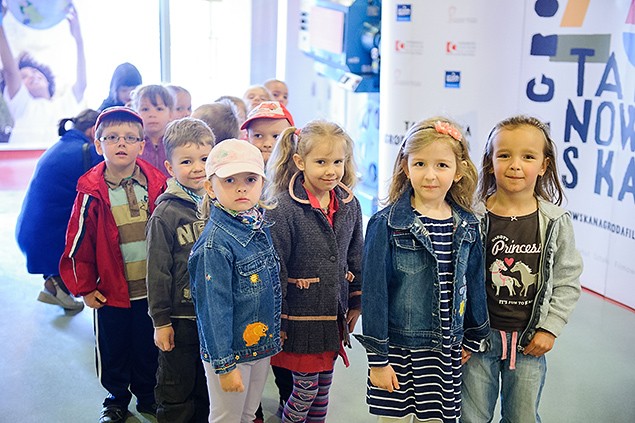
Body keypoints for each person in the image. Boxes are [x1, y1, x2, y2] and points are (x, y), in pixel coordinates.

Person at [355, 117, 490, 423]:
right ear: (406, 167)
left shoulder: (468, 224)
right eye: (420, 164)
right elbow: (374, 295)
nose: (430, 175)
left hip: (445, 353)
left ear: (458, 171)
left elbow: (474, 284)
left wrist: (472, 336)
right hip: (397, 352)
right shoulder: (386, 224)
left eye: (442, 165)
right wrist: (378, 359)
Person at [461, 115, 583, 423]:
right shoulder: (473, 218)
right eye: (504, 155)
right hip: (477, 341)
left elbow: (567, 279)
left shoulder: (555, 221)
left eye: (528, 157)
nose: (515, 165)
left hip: (529, 343)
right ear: (490, 163)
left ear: (543, 165)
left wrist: (550, 327)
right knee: (471, 417)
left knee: (522, 417)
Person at [59, 106, 167, 423]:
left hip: (149, 289)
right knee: (113, 348)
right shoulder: (91, 191)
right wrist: (84, 287)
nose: (121, 143)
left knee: (148, 347)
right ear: (98, 144)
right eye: (112, 137)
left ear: (141, 145)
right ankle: (116, 399)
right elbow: (77, 243)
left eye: (130, 138)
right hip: (110, 291)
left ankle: (148, 396)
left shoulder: (157, 184)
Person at [265, 120, 364, 422]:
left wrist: (356, 301)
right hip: (298, 321)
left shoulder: (350, 204)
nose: (331, 170)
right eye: (321, 162)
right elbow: (276, 269)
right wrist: (280, 320)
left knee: (322, 391)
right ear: (300, 161)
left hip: (332, 318)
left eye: (338, 162)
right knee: (304, 390)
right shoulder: (283, 208)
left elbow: (355, 254)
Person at [189, 139, 282, 422]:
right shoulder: (214, 246)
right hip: (231, 353)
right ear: (210, 187)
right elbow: (213, 310)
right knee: (226, 417)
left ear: (262, 183)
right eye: (229, 180)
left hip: (260, 343)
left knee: (248, 414)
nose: (241, 188)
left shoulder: (258, 225)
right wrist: (225, 366)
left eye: (250, 179)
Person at [146, 117, 215, 422]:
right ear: (170, 168)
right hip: (180, 318)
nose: (198, 168)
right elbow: (157, 272)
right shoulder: (166, 214)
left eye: (205, 159)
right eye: (187, 161)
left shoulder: (222, 204)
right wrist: (161, 322)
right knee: (176, 389)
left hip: (214, 317)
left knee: (208, 389)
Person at [15, 109, 102, 312]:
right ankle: (58, 284)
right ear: (93, 131)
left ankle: (55, 285)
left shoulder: (61, 145)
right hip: (49, 237)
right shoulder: (86, 151)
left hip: (31, 230)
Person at [0, 3, 86, 146]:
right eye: (24, 76)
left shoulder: (64, 104)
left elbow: (82, 84)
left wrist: (78, 39)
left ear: (47, 80)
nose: (32, 76)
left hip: (58, 159)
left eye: (35, 72)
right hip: (23, 159)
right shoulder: (22, 104)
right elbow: (10, 71)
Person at [130, 84, 174, 178]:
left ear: (170, 114)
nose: (152, 114)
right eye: (145, 109)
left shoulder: (176, 143)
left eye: (159, 109)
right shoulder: (132, 144)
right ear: (135, 113)